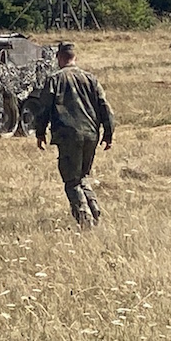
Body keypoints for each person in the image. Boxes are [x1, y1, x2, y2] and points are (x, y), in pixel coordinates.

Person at [35, 42, 115, 229]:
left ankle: (85, 219)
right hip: (91, 134)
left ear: (60, 58)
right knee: (82, 176)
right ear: (75, 57)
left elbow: (44, 108)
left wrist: (40, 132)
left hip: (68, 135)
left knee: (71, 181)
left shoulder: (54, 79)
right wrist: (108, 133)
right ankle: (94, 209)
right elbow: (105, 107)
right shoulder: (90, 79)